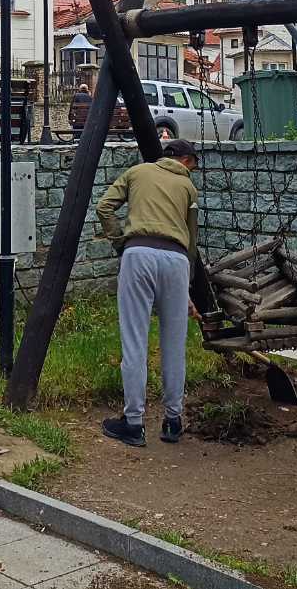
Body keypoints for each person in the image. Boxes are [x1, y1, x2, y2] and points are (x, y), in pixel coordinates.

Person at [96, 137, 201, 448]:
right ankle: (172, 421)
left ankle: (133, 423)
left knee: (135, 340)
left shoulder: (136, 172)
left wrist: (120, 241)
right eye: (192, 166)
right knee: (174, 343)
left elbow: (104, 207)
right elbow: (191, 243)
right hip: (177, 261)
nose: (191, 172)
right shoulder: (188, 189)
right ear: (185, 160)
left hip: (138, 253)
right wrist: (186, 289)